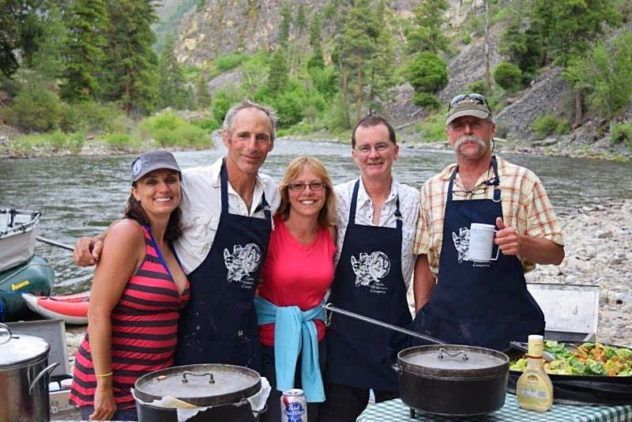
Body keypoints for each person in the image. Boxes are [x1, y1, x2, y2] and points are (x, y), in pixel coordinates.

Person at [73, 100, 279, 372]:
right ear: (226, 138)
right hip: (189, 334)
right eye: (243, 135)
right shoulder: (191, 183)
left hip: (242, 332)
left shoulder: (273, 194)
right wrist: (98, 239)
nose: (252, 146)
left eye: (261, 138)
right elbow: (140, 214)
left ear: (271, 144)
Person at [412, 93, 565, 351]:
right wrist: (422, 317)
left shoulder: (522, 182)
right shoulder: (432, 189)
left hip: (508, 329)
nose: (467, 131)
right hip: (445, 329)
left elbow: (556, 253)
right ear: (448, 133)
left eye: (476, 123)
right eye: (459, 125)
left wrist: (522, 243)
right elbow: (424, 261)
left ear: (491, 129)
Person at [69, 151, 190, 421]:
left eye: (171, 179)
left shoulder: (168, 240)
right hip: (116, 388)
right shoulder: (128, 233)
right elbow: (97, 313)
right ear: (135, 192)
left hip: (152, 385)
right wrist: (104, 386)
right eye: (151, 182)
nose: (163, 188)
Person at [320, 116, 420, 422]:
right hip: (344, 337)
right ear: (354, 155)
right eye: (365, 148)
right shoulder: (336, 198)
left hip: (395, 335)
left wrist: (424, 320)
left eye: (380, 146)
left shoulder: (415, 201)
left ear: (395, 151)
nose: (373, 154)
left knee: (401, 418)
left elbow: (425, 262)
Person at [254, 156, 337, 422]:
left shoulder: (330, 232)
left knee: (308, 417)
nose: (307, 192)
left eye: (316, 185)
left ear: (326, 191)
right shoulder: (269, 228)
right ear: (286, 192)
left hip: (314, 342)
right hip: (270, 345)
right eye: (297, 185)